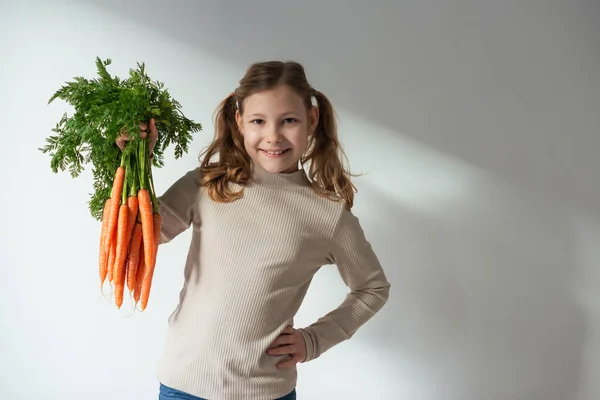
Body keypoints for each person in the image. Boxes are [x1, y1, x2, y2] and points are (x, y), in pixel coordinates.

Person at [118, 60, 391, 400]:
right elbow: (140, 236)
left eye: (288, 120)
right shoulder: (208, 184)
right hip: (182, 385)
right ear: (239, 123)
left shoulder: (328, 214)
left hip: (265, 393)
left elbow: (372, 287)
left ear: (312, 120)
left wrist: (315, 339)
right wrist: (133, 162)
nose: (273, 135)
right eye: (258, 121)